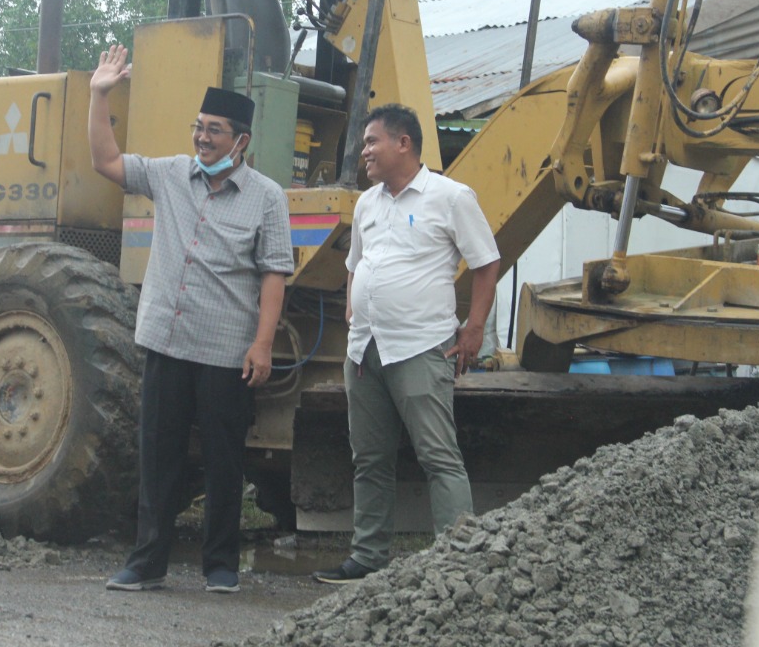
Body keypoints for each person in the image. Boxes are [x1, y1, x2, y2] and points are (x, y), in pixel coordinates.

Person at [87, 44, 294, 594]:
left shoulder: (268, 199)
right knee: (158, 453)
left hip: (227, 350)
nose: (203, 138)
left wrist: (263, 344)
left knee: (226, 462)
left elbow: (275, 273)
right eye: (199, 127)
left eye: (216, 130)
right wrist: (99, 94)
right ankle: (147, 561)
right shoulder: (171, 175)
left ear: (241, 141)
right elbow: (106, 161)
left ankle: (220, 564)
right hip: (167, 340)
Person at [313, 104, 500, 584]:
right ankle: (368, 558)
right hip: (365, 350)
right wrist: (353, 305)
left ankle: (457, 563)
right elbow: (355, 261)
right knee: (370, 458)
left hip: (420, 347)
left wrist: (474, 329)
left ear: (404, 143)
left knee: (438, 455)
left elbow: (485, 263)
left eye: (372, 141)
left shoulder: (451, 197)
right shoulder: (367, 204)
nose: (364, 152)